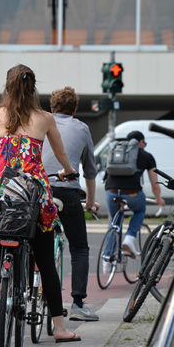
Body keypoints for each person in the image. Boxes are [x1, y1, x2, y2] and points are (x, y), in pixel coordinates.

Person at [0, 64, 81, 343]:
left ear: (7, 86)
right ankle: (59, 328)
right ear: (33, 88)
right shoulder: (45, 118)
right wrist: (69, 170)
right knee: (46, 259)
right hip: (33, 192)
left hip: (1, 188)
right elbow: (60, 154)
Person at [41, 87, 100, 322]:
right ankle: (77, 303)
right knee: (79, 248)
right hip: (69, 193)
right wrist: (91, 203)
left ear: (52, 108)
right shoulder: (82, 128)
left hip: (42, 190)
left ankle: (32, 290)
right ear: (74, 110)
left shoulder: (41, 123)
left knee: (37, 242)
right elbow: (91, 171)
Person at [103, 130, 165, 263]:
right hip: (132, 193)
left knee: (115, 221)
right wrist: (158, 199)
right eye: (144, 143)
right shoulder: (147, 156)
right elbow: (155, 184)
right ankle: (130, 238)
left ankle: (108, 259)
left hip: (111, 191)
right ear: (140, 142)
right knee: (140, 210)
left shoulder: (117, 152)